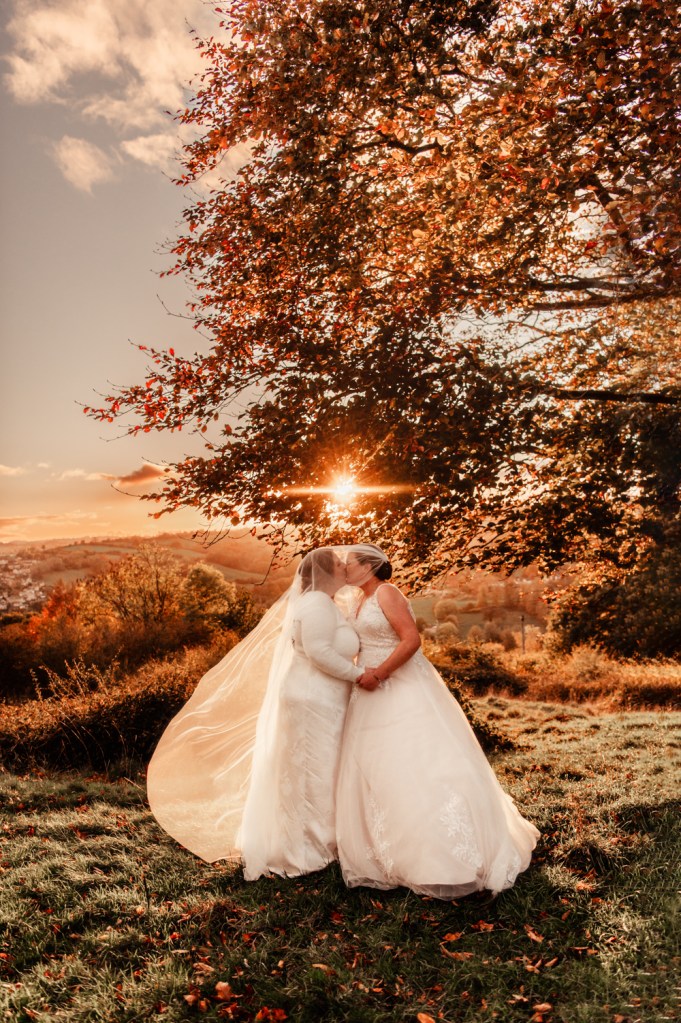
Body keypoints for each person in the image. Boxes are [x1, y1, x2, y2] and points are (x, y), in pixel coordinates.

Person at [336, 544, 540, 900]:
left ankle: (441, 856)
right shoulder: (357, 599)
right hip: (366, 691)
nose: (344, 567)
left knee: (417, 761)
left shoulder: (386, 592)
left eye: (350, 563)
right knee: (379, 766)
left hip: (397, 684)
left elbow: (411, 640)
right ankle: (389, 849)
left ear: (369, 566)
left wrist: (380, 674)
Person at [147, 547, 366, 877]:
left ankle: (321, 841)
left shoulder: (325, 602)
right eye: (338, 563)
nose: (345, 565)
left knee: (320, 767)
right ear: (323, 572)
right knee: (314, 770)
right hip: (312, 698)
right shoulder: (317, 603)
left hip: (324, 697)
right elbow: (318, 651)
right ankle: (309, 849)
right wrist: (358, 675)